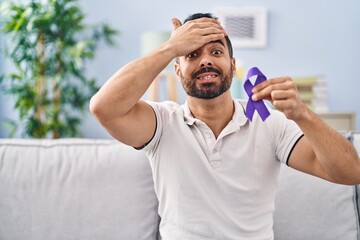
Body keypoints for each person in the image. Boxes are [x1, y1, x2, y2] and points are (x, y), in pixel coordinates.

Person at [90, 13, 360, 240]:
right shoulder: (162, 123)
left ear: (231, 66)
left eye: (216, 51)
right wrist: (170, 47)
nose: (205, 60)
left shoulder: (268, 122)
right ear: (177, 70)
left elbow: (351, 173)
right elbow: (103, 108)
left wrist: (302, 114)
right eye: (191, 54)